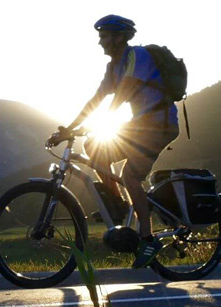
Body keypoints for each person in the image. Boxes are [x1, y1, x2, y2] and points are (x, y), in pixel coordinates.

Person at [62, 14, 180, 268]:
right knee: (93, 147)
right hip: (141, 126)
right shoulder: (111, 67)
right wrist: (68, 129)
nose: (100, 42)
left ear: (118, 37)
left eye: (104, 36)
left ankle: (148, 239)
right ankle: (118, 204)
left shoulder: (138, 56)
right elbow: (96, 99)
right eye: (100, 37)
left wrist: (102, 119)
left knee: (129, 175)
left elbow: (125, 90)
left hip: (160, 124)